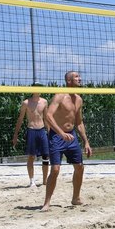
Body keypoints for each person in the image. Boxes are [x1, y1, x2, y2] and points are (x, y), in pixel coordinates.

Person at [42, 71, 92, 211]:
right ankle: (47, 202)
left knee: (80, 167)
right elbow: (48, 116)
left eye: (79, 76)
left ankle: (75, 198)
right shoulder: (60, 95)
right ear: (69, 81)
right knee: (56, 169)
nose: (80, 78)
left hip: (71, 136)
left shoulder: (78, 99)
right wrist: (61, 132)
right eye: (76, 77)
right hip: (57, 136)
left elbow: (79, 122)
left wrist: (86, 142)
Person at [12, 83, 49, 188]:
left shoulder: (44, 101)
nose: (39, 90)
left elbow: (46, 118)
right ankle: (32, 181)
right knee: (31, 156)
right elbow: (20, 119)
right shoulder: (26, 103)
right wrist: (15, 135)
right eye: (37, 88)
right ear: (32, 89)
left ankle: (45, 181)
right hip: (32, 130)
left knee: (46, 156)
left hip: (42, 130)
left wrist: (50, 132)